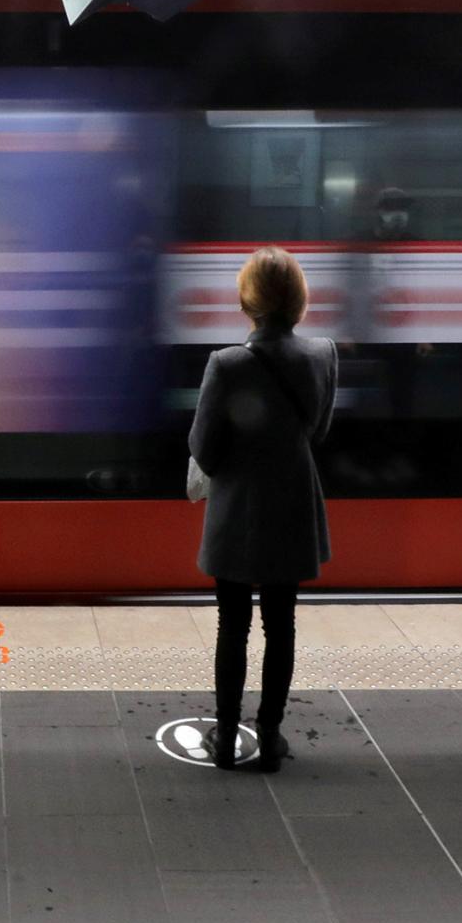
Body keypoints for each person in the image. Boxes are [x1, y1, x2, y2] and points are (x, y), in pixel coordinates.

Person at [189, 246, 338, 774]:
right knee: (282, 624)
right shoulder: (323, 353)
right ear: (298, 301)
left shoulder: (226, 364)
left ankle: (226, 736)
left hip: (238, 515)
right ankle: (271, 735)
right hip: (293, 506)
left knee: (233, 624)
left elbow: (203, 450)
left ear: (247, 302)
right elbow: (317, 431)